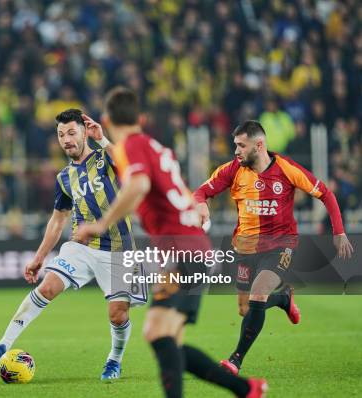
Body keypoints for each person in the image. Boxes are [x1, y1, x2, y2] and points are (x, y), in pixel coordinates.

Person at [77, 87, 267, 397]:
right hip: (191, 249)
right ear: (140, 118)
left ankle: (245, 389)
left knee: (156, 332)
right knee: (168, 340)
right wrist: (103, 140)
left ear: (108, 119)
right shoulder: (148, 145)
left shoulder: (133, 147)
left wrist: (101, 223)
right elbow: (136, 168)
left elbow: (138, 183)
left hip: (186, 253)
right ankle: (246, 389)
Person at [0, 108, 146, 381]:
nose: (66, 139)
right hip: (81, 245)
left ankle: (114, 360)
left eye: (71, 132)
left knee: (117, 315)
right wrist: (39, 258)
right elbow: (57, 221)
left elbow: (132, 165)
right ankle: (3, 344)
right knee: (48, 286)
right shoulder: (64, 177)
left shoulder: (105, 157)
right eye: (61, 135)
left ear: (84, 132)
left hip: (119, 248)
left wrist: (102, 139)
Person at [192, 120, 354, 375]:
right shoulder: (233, 169)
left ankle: (235, 360)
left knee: (257, 295)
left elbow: (326, 193)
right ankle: (283, 298)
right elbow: (201, 191)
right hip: (245, 246)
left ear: (259, 145)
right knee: (245, 308)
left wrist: (339, 231)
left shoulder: (286, 169)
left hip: (281, 245)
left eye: (241, 146)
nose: (236, 151)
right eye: (235, 145)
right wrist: (201, 204)